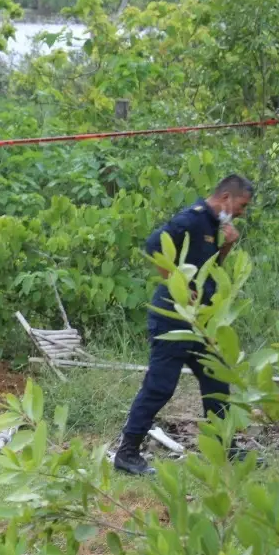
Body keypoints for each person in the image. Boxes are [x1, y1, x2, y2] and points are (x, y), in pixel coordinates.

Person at [114, 175, 255, 476]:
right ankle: (127, 453)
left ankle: (224, 448)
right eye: (242, 205)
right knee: (160, 387)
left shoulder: (214, 226)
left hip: (202, 323)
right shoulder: (191, 219)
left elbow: (210, 269)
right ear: (227, 198)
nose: (243, 211)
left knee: (217, 384)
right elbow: (154, 246)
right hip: (172, 318)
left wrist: (227, 246)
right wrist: (175, 282)